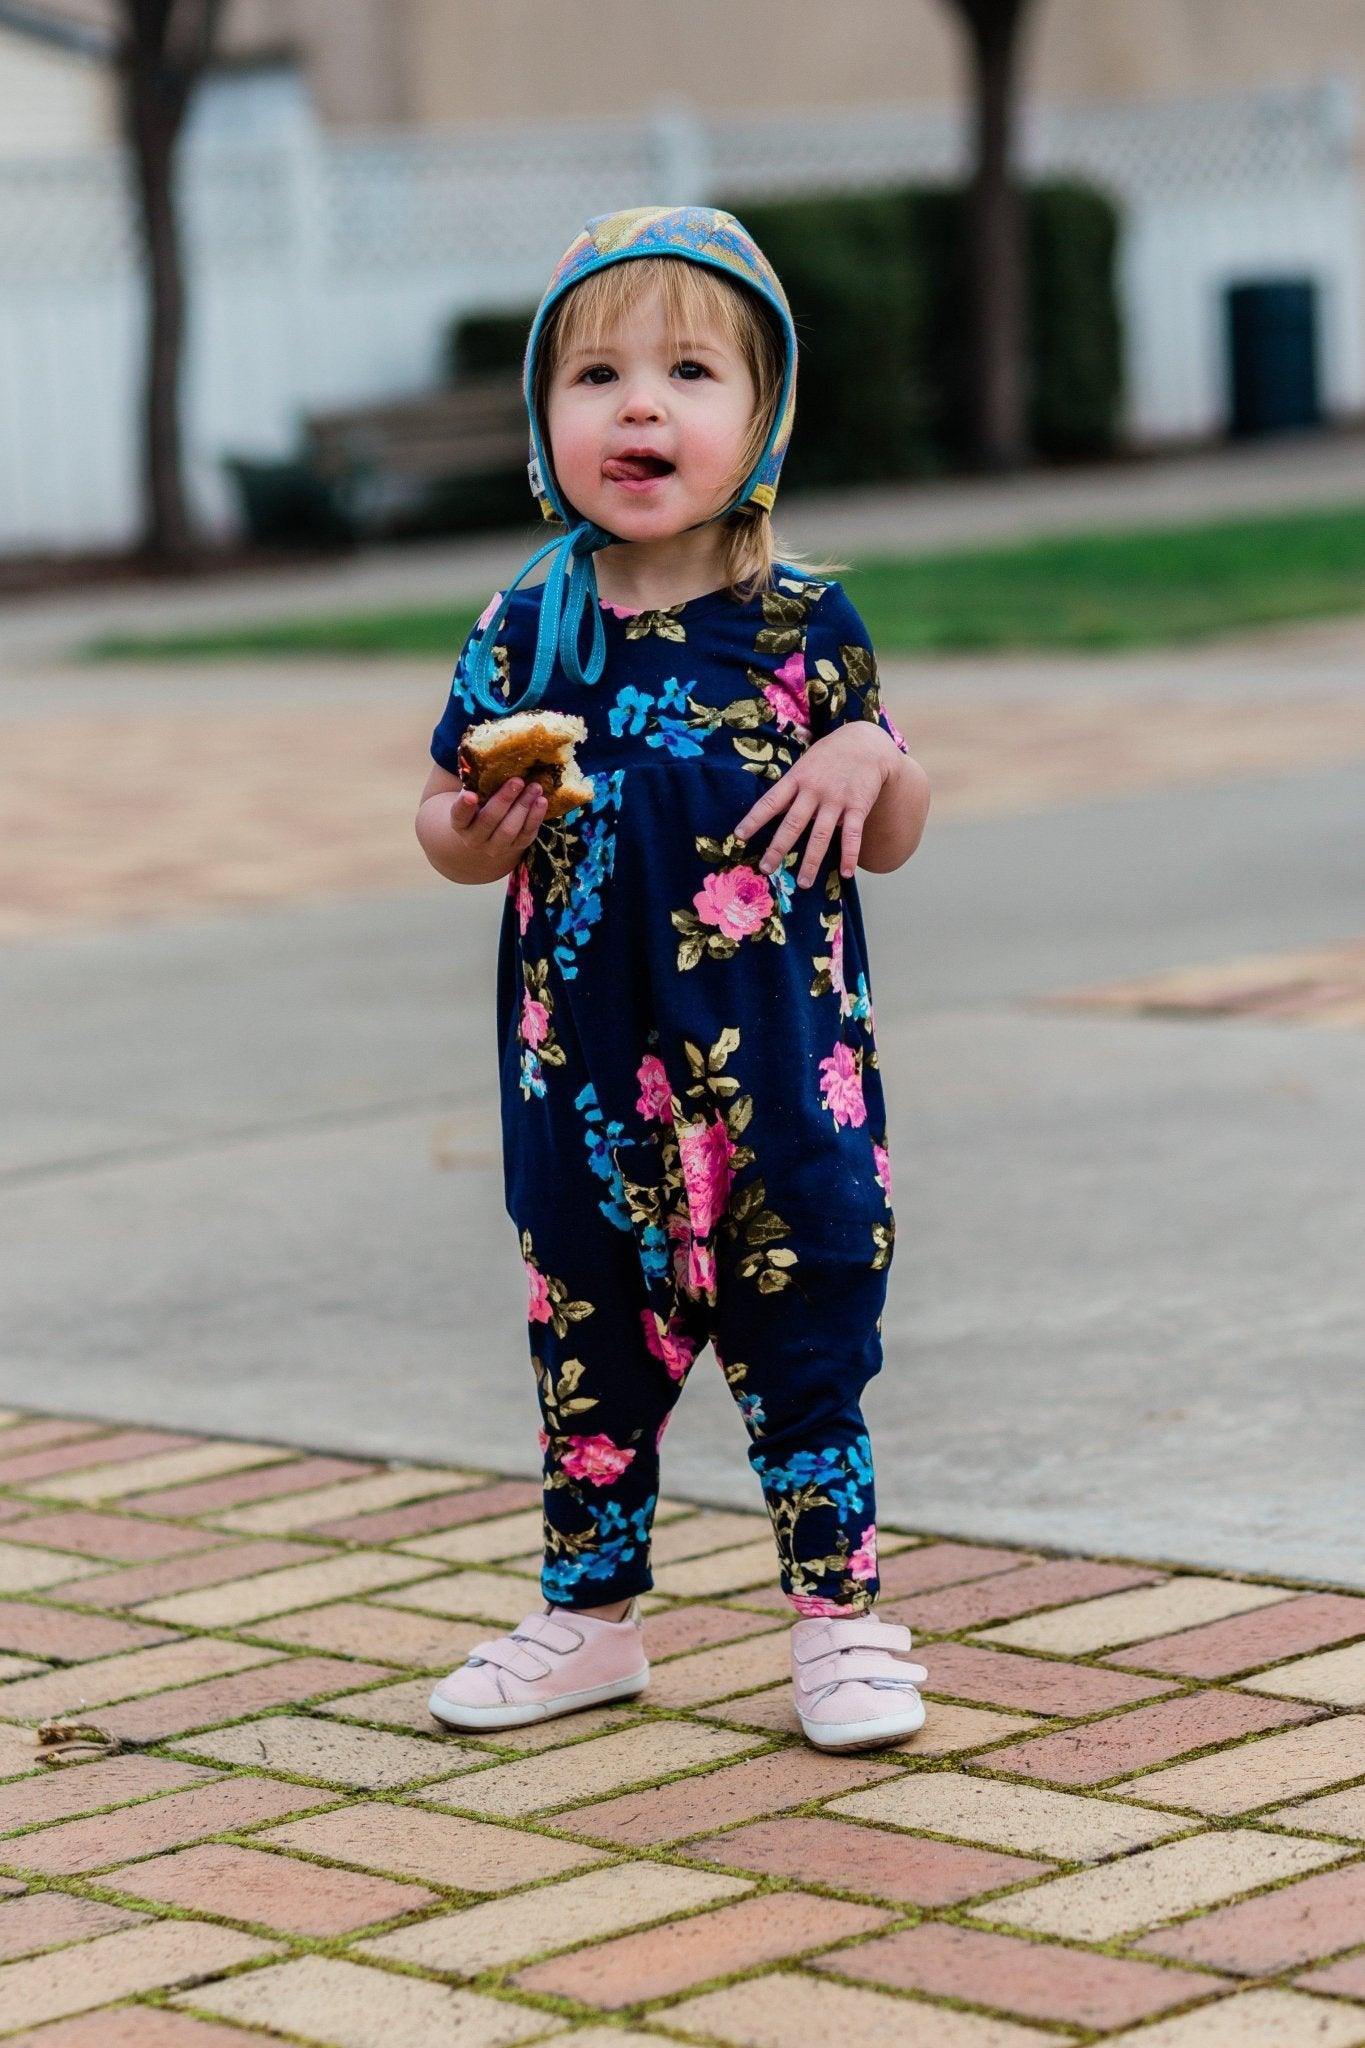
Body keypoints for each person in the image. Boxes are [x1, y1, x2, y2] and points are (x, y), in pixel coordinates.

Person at [415, 205, 931, 1751]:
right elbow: (442, 822)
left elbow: (886, 837)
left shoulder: (802, 629)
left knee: (807, 1332)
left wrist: (873, 750)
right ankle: (589, 1620)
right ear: (543, 421)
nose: (638, 405)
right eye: (592, 376)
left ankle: (838, 1620)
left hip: (777, 1069)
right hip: (580, 1077)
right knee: (588, 1336)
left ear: (758, 419)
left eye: (688, 371)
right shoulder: (526, 631)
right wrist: (470, 826)